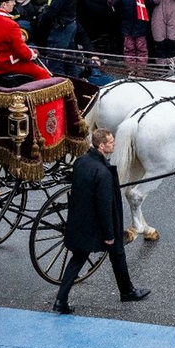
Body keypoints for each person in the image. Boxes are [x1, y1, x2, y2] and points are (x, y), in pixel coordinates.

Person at [53, 128, 150, 315]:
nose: (114, 144)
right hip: (101, 226)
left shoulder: (81, 162)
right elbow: (105, 206)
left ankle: (61, 299)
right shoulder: (103, 173)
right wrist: (109, 235)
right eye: (111, 142)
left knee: (79, 258)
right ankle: (127, 291)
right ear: (101, 146)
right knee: (117, 252)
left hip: (80, 221)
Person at [35, 0, 77, 75]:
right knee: (70, 60)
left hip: (61, 28)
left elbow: (50, 12)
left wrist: (41, 23)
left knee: (55, 63)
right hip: (70, 24)